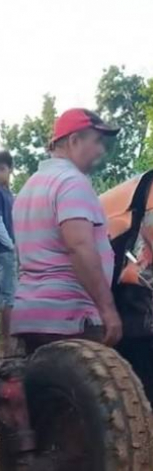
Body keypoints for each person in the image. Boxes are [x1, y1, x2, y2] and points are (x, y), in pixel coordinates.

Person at [6, 109, 122, 351]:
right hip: (71, 318)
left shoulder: (28, 188)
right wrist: (108, 310)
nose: (101, 150)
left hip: (33, 316)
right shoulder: (71, 182)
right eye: (97, 141)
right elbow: (78, 246)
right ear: (74, 140)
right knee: (99, 388)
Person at [0, 150, 15, 350]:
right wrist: (11, 245)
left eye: (2, 169)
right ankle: (8, 341)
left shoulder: (9, 194)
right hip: (5, 250)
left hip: (6, 249)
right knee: (9, 296)